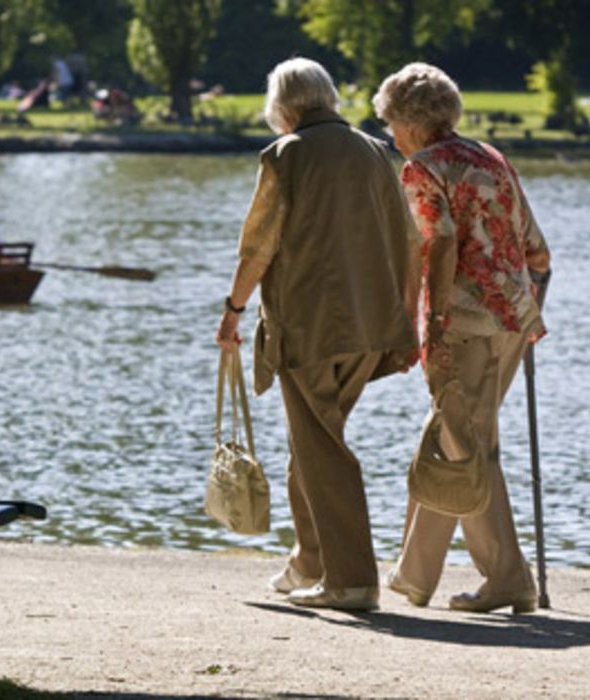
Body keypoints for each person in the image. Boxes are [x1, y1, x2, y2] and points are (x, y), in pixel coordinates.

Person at [215, 58, 422, 611]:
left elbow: (258, 246)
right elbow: (409, 242)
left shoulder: (287, 155)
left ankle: (351, 581)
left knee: (323, 451)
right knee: (311, 443)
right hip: (371, 327)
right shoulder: (377, 152)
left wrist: (234, 309)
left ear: (283, 107)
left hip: (309, 327)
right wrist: (406, 324)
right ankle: (310, 560)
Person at [373, 62, 553, 614]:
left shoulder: (424, 169)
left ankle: (508, 578)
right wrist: (527, 314)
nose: (390, 137)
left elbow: (441, 247)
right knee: (460, 441)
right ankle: (415, 576)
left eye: (391, 124)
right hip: (512, 318)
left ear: (411, 123)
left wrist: (431, 329)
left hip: (466, 325)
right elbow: (536, 250)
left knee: (463, 446)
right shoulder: (490, 158)